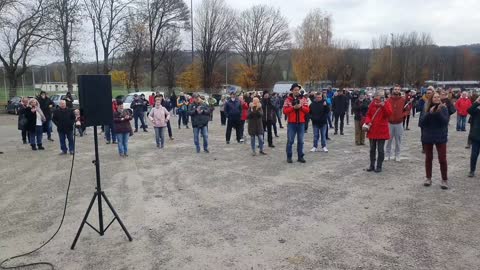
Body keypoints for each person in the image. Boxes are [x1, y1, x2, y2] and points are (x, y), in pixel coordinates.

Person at [419, 91, 449, 189]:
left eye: (438, 97)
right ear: (431, 99)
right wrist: (429, 114)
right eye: (434, 97)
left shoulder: (443, 108)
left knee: (442, 159)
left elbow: (445, 122)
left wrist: (438, 113)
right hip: (428, 136)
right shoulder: (426, 108)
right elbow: (422, 123)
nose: (436, 99)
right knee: (428, 158)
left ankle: (444, 180)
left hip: (440, 136)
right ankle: (428, 178)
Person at [364, 91, 393, 173]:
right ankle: (372, 165)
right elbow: (368, 115)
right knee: (372, 149)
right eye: (379, 95)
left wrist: (383, 106)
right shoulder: (372, 103)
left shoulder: (386, 103)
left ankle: (379, 166)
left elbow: (389, 114)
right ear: (375, 96)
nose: (380, 97)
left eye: (382, 96)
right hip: (373, 129)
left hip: (382, 130)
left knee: (380, 150)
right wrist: (368, 121)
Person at [283, 83, 310, 163]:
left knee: (301, 141)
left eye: (298, 90)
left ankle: (300, 156)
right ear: (292, 90)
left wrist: (301, 107)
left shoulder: (303, 99)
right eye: (295, 90)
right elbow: (284, 111)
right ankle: (289, 157)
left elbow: (307, 110)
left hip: (301, 123)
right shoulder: (288, 100)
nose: (297, 91)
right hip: (292, 123)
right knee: (290, 141)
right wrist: (293, 108)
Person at [385, 85, 407, 162]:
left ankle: (397, 155)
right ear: (393, 90)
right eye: (395, 89)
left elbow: (407, 110)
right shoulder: (388, 100)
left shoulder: (403, 100)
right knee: (388, 140)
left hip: (399, 123)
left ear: (400, 91)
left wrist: (402, 115)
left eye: (398, 89)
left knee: (398, 140)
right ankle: (387, 154)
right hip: (390, 123)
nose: (397, 90)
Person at [416, 87, 434, 153]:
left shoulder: (434, 100)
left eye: (430, 93)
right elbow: (418, 108)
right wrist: (424, 103)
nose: (429, 94)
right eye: (427, 93)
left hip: (432, 121)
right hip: (423, 120)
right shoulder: (422, 100)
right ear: (425, 94)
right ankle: (424, 148)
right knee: (423, 135)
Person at [468, 96, 480, 177]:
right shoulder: (477, 111)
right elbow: (469, 110)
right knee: (474, 154)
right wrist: (477, 102)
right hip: (476, 135)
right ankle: (472, 170)